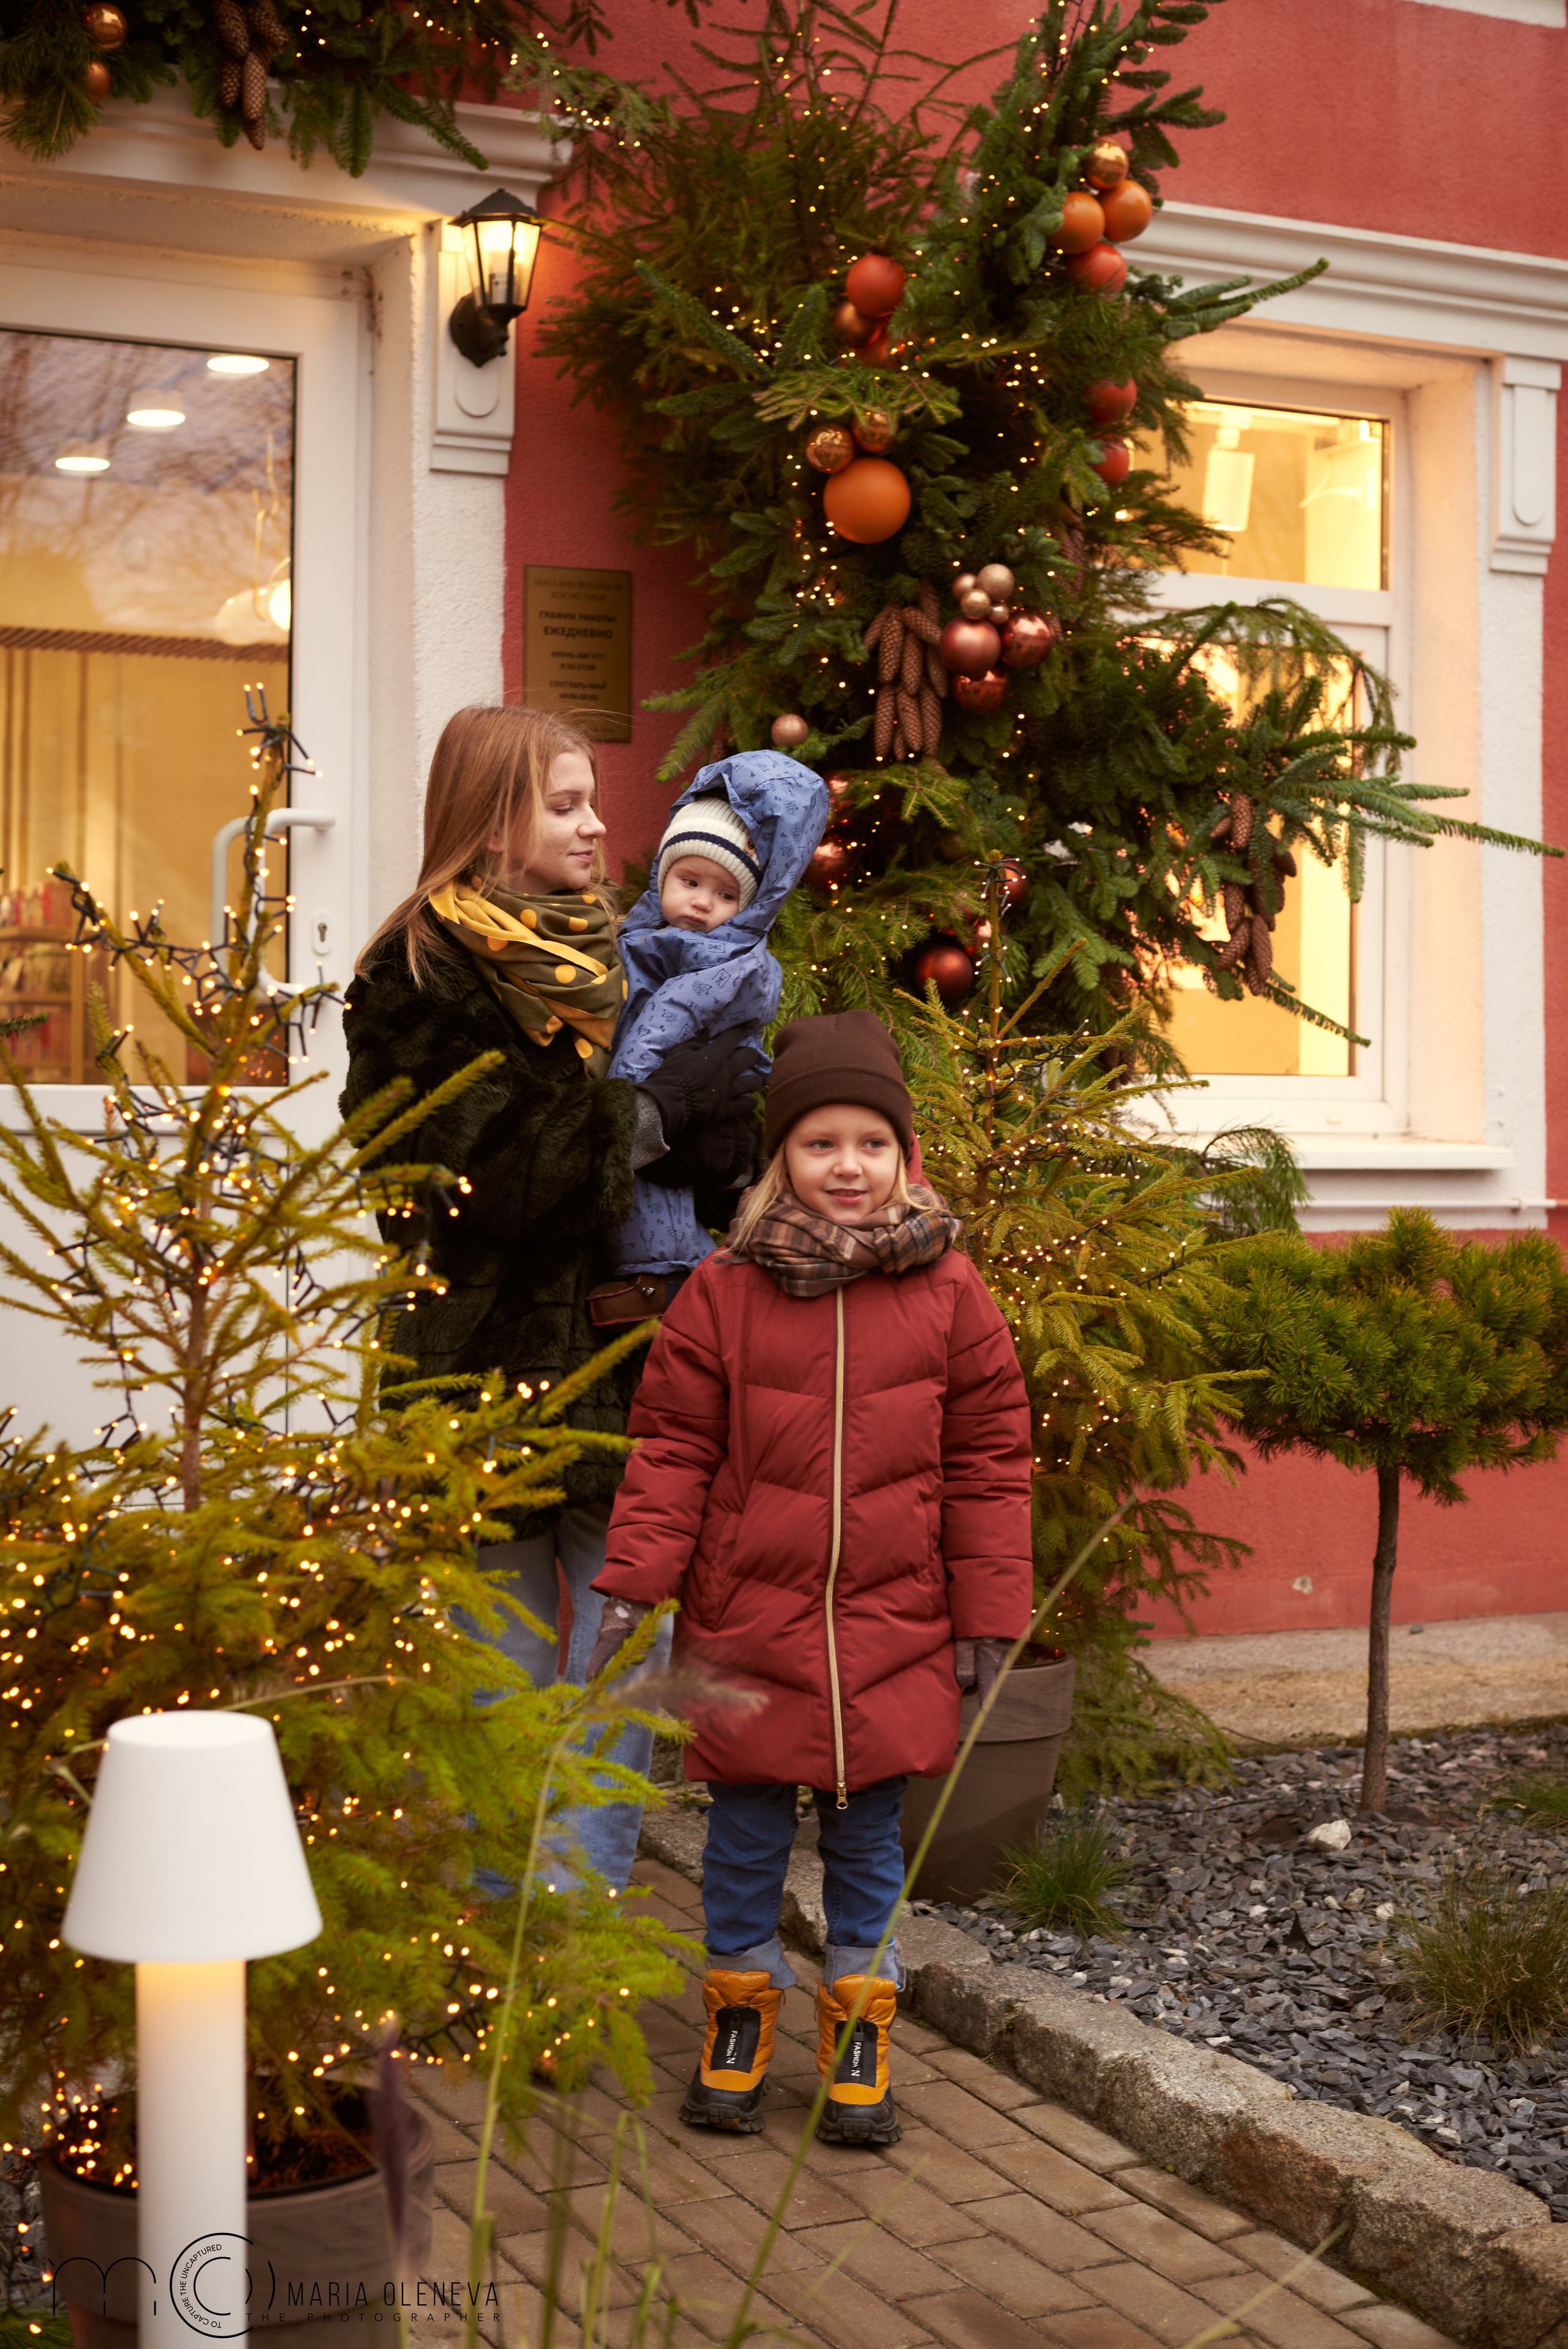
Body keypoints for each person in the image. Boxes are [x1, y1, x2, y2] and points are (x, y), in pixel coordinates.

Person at [584, 1010, 1033, 2145]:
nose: (848, 1165)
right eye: (821, 1142)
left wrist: (986, 1616)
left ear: (906, 1156)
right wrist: (635, 1583)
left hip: (895, 1619)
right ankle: (738, 2011)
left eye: (871, 1143)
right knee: (739, 1836)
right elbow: (673, 1448)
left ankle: (859, 2023)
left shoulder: (951, 1292)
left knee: (867, 1839)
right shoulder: (724, 1290)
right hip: (751, 1620)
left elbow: (989, 1463)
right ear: (781, 1155)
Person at [339, 705, 763, 1893]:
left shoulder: (617, 953)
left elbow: (679, 1145)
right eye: (564, 805)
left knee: (632, 1643)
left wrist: (719, 1126)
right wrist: (639, 1120)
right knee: (501, 1664)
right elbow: (451, 1175)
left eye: (592, 800)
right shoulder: (414, 971)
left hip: (626, 1366)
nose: (596, 826)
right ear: (489, 823)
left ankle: (574, 1919)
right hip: (479, 1372)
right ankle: (492, 1919)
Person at [591, 751, 827, 1328]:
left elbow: (660, 1025)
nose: (701, 903)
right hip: (661, 1107)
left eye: (725, 895)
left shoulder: (727, 961)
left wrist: (619, 1104)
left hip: (668, 1102)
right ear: (662, 876)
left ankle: (665, 1272)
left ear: (749, 905)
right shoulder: (643, 935)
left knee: (659, 1203)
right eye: (689, 881)